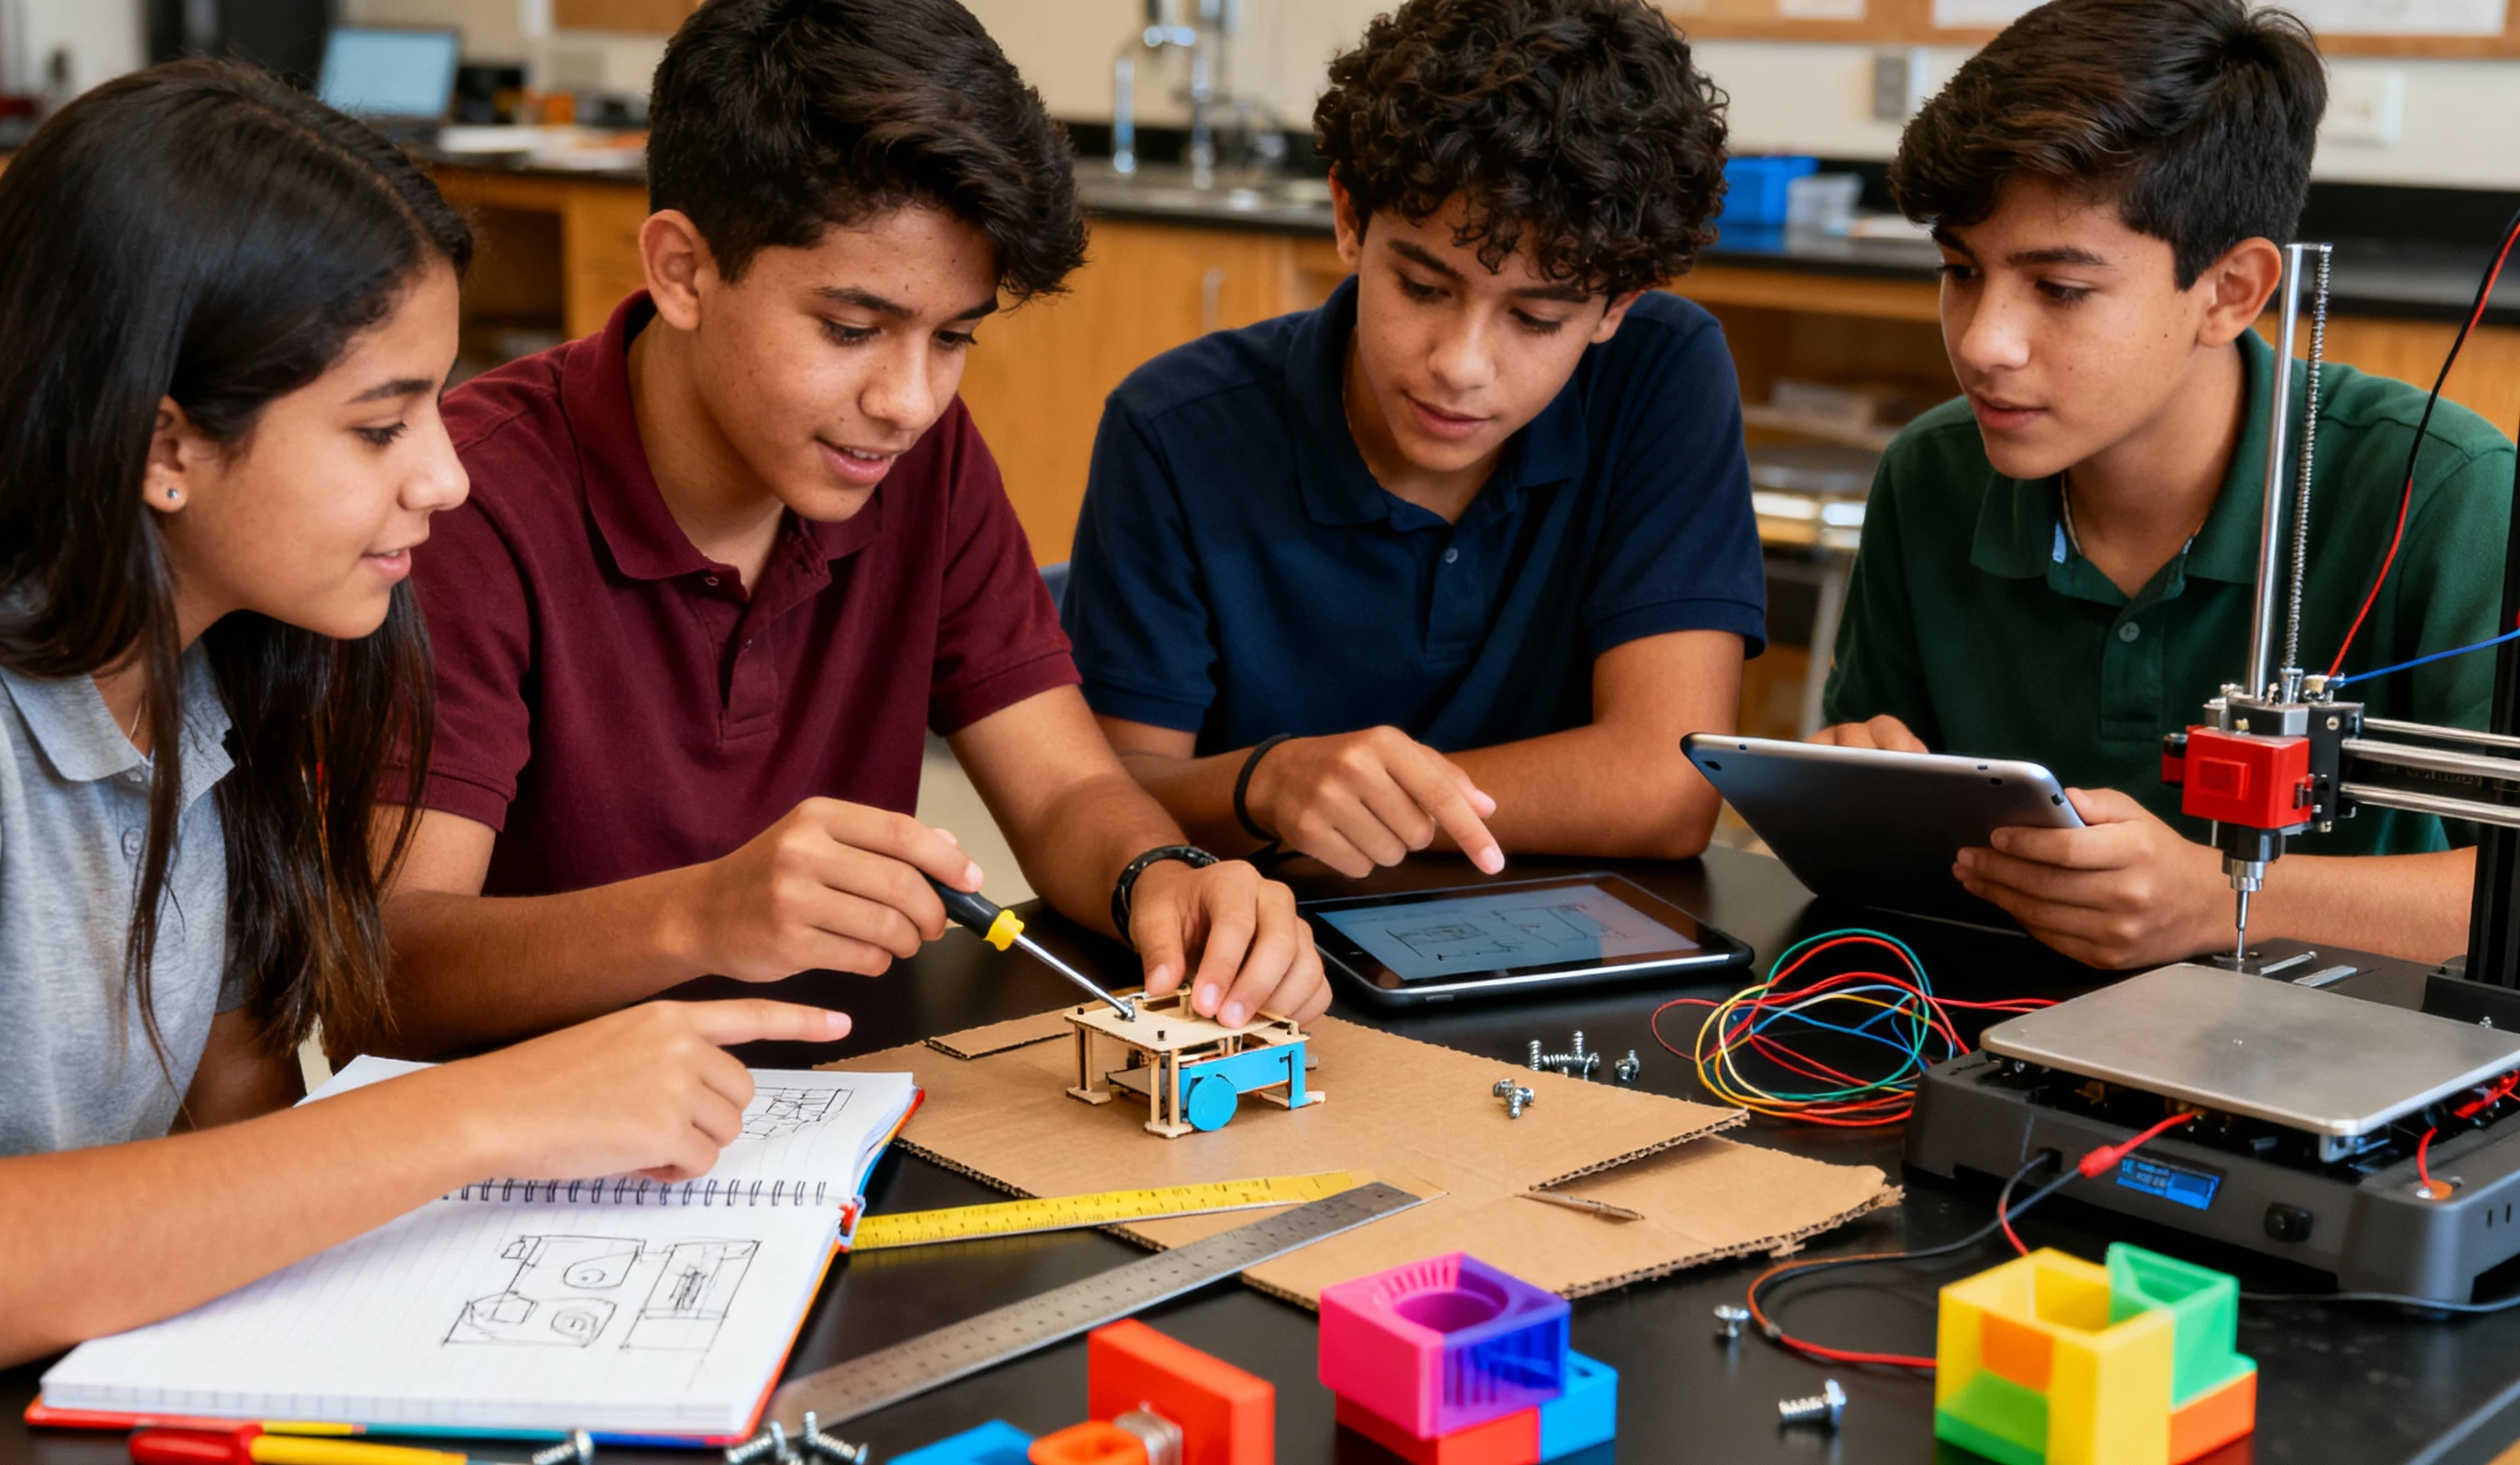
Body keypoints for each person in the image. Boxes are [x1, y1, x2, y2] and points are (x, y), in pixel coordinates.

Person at [0, 63, 838, 1391]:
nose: (446, 477)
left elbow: (238, 1144)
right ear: (162, 446)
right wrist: (485, 1110)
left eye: (439, 407)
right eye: (380, 425)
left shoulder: (209, 674)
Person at [380, 0, 1325, 1053]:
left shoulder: (914, 457)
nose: (909, 402)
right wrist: (702, 915)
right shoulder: (465, 503)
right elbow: (389, 968)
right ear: (683, 270)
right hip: (552, 1133)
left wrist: (1163, 876)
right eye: (849, 328)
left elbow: (1064, 787)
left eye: (953, 338)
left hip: (850, 1100)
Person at [1815, 0, 2516, 968]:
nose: (1982, 343)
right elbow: (1879, 788)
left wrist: (2228, 902)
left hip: (2321, 1034)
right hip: (1986, 1012)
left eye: (2060, 289)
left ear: (2230, 292)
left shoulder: (2442, 495)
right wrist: (1855, 778)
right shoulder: (1931, 474)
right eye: (1959, 270)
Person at [1059, 0, 1763, 880]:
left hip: (1573, 937)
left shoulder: (1662, 371)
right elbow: (1110, 802)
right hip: (1270, 936)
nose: (1460, 367)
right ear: (1349, 218)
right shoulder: (1173, 428)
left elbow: (1666, 788)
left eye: (1537, 319)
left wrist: (1358, 806)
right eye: (1423, 288)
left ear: (1619, 304)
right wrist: (1267, 784)